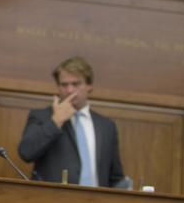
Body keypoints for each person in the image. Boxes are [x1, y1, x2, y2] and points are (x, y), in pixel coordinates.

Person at [17, 56, 125, 188]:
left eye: (76, 84)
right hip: (54, 202)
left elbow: (115, 176)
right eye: (64, 85)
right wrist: (55, 121)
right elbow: (26, 153)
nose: (69, 90)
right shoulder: (42, 117)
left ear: (89, 86)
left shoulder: (106, 126)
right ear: (58, 87)